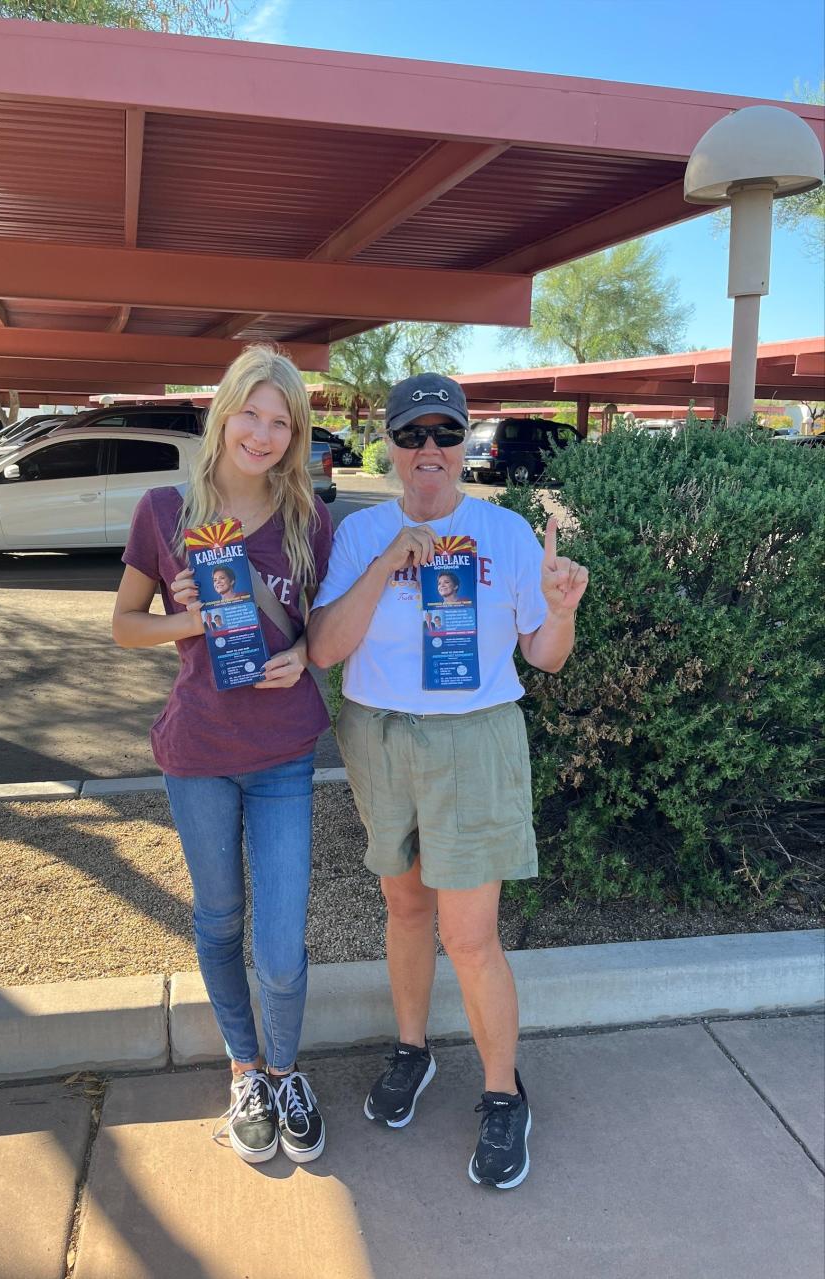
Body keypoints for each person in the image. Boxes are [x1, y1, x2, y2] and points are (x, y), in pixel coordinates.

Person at [308, 371, 588, 1190]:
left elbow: (542, 656)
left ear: (465, 442)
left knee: (469, 935)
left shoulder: (503, 533)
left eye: (445, 434)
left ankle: (504, 1096)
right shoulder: (359, 533)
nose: (429, 450)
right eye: (411, 435)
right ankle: (412, 1050)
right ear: (389, 446)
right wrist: (392, 556)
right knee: (404, 905)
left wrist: (561, 609)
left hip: (474, 741)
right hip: (378, 735)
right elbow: (325, 649)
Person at [113, 345, 332, 1167]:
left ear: (296, 432)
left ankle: (285, 1069)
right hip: (197, 750)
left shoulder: (310, 516)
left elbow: (328, 625)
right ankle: (245, 1070)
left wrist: (305, 653)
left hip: (282, 753)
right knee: (219, 918)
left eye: (282, 421)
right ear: (224, 413)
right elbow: (124, 623)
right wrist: (187, 620)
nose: (264, 433)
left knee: (279, 942)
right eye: (252, 413)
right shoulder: (164, 509)